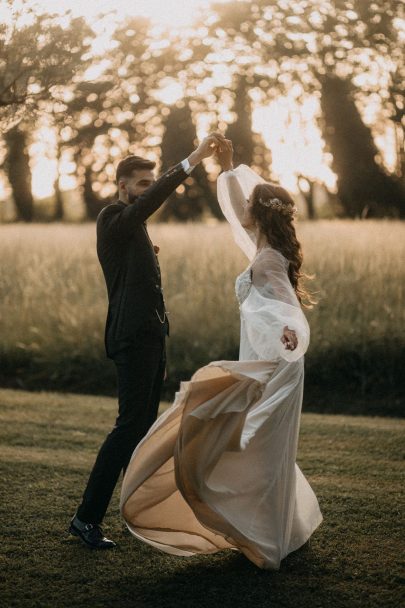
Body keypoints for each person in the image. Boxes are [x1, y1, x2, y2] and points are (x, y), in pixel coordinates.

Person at [119, 139, 323, 570]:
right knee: (248, 444)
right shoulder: (263, 246)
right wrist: (228, 169)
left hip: (273, 364)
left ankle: (263, 535)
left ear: (262, 212)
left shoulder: (268, 260)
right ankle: (263, 527)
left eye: (251, 201)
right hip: (262, 356)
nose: (242, 207)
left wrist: (289, 332)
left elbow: (286, 308)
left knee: (252, 446)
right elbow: (234, 207)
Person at [69, 133, 226, 549]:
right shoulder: (112, 218)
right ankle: (86, 519)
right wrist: (191, 159)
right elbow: (148, 202)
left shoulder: (134, 229)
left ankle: (133, 515)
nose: (145, 189)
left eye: (147, 182)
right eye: (140, 183)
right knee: (127, 429)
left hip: (151, 338)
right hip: (131, 338)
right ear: (123, 184)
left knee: (140, 432)